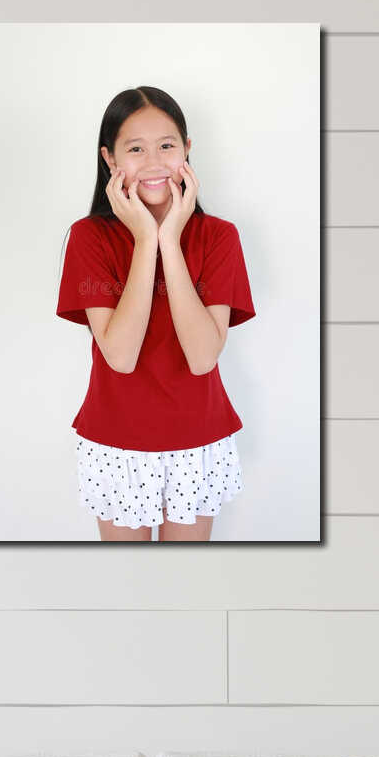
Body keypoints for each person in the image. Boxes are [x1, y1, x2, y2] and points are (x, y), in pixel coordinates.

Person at [55, 86, 256, 542]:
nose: (152, 161)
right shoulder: (89, 238)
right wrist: (146, 240)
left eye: (166, 146)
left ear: (187, 150)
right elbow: (121, 356)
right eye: (135, 148)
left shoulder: (219, 237)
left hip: (198, 437)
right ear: (110, 159)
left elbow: (204, 357)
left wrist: (170, 238)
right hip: (115, 440)